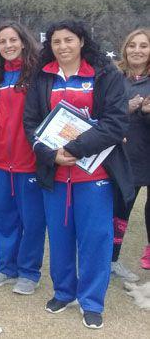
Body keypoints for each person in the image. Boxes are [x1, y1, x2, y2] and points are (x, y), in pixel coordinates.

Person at [23, 20, 133, 329]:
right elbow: (30, 123)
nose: (62, 46)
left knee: (95, 238)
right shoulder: (42, 77)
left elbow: (115, 123)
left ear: (81, 41)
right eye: (56, 41)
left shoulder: (105, 73)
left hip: (95, 173)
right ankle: (64, 291)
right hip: (55, 172)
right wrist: (52, 154)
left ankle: (92, 301)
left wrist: (76, 148)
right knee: (59, 236)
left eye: (68, 40)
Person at [0, 21, 46, 295]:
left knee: (31, 219)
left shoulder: (37, 74)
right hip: (0, 159)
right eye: (2, 42)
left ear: (23, 41)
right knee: (4, 217)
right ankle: (6, 267)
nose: (8, 46)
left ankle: (29, 272)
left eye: (12, 40)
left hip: (29, 159)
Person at [112, 28, 150, 275]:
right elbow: (104, 113)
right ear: (125, 48)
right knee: (121, 206)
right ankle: (111, 259)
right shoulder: (115, 78)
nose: (137, 50)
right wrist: (130, 107)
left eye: (143, 46)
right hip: (127, 154)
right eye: (132, 45)